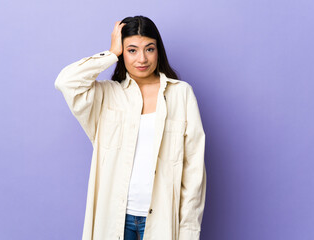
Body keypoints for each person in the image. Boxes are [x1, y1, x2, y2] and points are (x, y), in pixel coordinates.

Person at [54, 15, 206, 240]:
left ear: (158, 51)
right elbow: (66, 82)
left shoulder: (181, 94)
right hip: (115, 218)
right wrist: (111, 53)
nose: (142, 58)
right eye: (132, 50)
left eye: (149, 49)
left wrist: (188, 231)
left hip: (163, 220)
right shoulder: (106, 95)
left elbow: (194, 172)